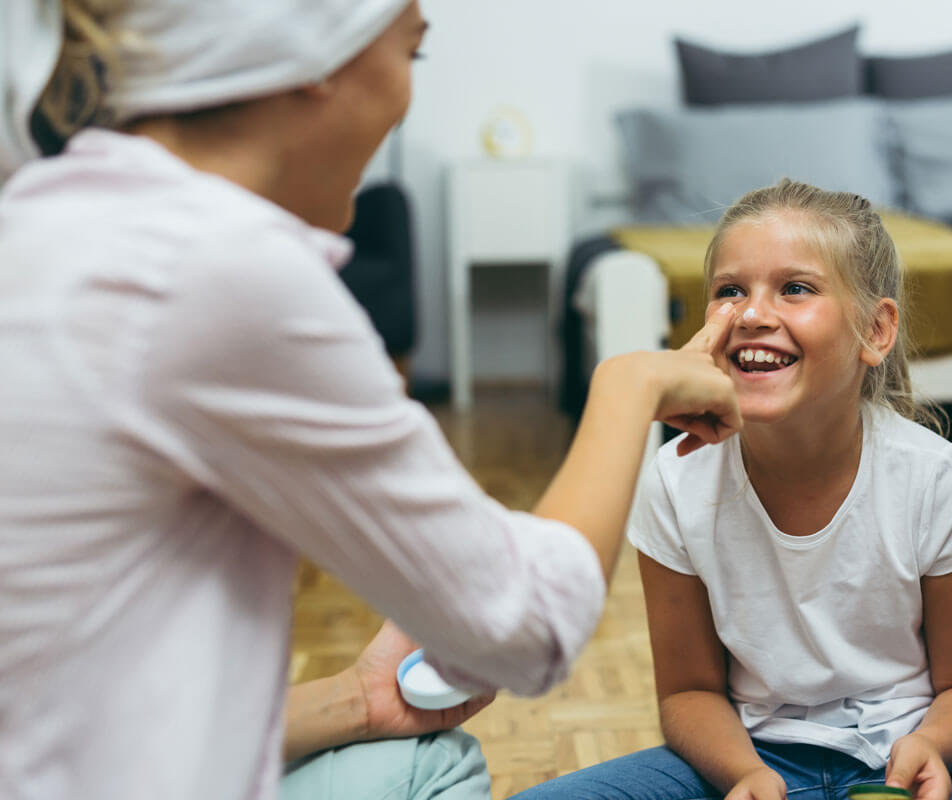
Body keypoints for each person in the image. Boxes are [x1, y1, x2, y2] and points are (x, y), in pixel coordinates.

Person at [0, 1, 742, 798]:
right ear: (315, 59)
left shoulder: (47, 219)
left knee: (423, 756)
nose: (404, 102)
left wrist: (358, 699)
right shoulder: (216, 269)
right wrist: (632, 381)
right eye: (412, 57)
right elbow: (526, 626)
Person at [509, 180, 952, 800]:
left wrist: (932, 746)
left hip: (903, 762)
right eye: (730, 291)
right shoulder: (677, 480)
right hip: (751, 757)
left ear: (875, 331)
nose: (752, 314)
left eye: (795, 289)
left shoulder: (933, 476)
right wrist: (744, 774)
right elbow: (687, 692)